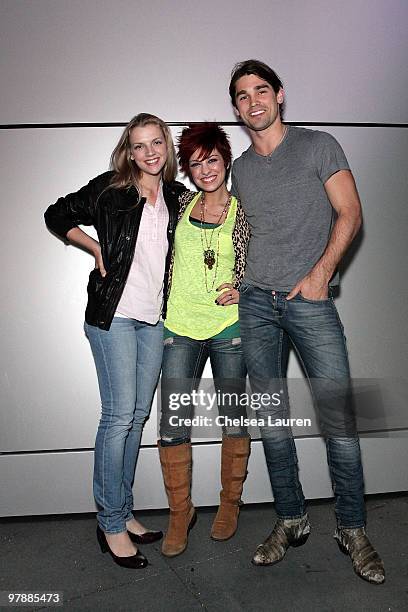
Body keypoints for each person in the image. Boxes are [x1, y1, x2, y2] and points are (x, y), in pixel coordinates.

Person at [228, 59, 385, 584]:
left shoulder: (320, 145)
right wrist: (235, 279)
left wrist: (321, 275)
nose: (253, 102)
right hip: (255, 304)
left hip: (310, 302)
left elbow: (351, 213)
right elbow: (246, 233)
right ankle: (291, 520)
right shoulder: (242, 168)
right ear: (236, 107)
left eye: (261, 90)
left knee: (339, 420)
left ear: (280, 95)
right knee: (271, 421)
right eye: (242, 95)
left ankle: (352, 528)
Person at [44, 113, 186, 569]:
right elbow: (57, 214)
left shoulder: (176, 196)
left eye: (156, 143)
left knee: (137, 416)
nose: (148, 152)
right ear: (128, 151)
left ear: (167, 147)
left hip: (154, 319)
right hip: (114, 316)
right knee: (119, 416)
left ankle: (123, 513)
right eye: (139, 145)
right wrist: (94, 247)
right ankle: (109, 522)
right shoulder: (110, 189)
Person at [158, 123, 251, 557]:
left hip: (228, 329)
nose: (205, 169)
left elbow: (264, 259)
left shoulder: (244, 210)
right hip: (180, 327)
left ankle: (229, 503)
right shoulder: (178, 205)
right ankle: (181, 511)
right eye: (196, 163)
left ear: (225, 160)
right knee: (173, 424)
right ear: (189, 170)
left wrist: (244, 285)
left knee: (233, 417)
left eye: (212, 159)